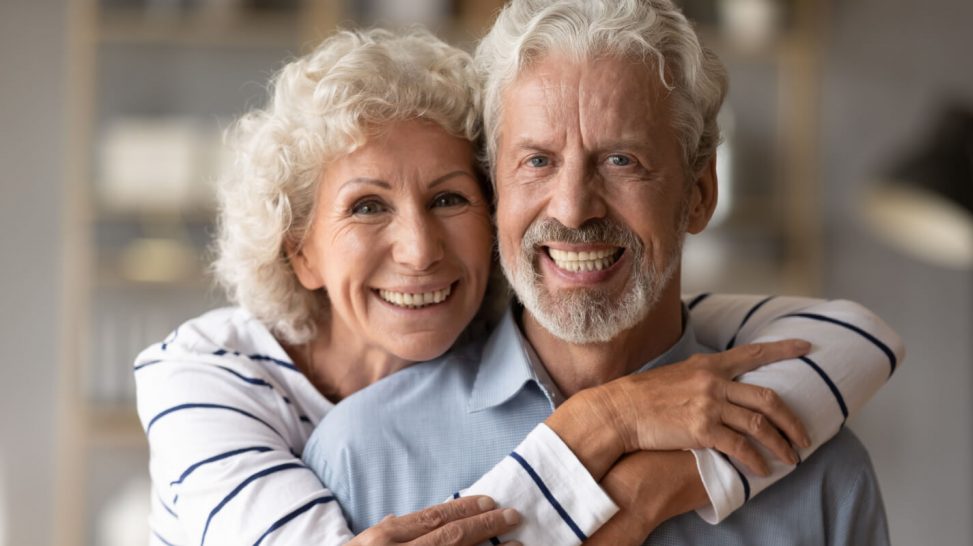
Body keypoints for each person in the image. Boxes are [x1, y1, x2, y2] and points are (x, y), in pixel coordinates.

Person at [136, 21, 900, 546]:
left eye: (623, 160)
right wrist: (611, 426)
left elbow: (860, 338)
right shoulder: (317, 440)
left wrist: (671, 472)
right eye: (537, 160)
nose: (571, 208)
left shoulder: (819, 466)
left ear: (699, 196)